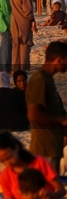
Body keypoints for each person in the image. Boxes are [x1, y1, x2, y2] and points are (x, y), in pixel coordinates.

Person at [27, 41, 67, 175]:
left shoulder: (47, 79)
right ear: (59, 60)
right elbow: (34, 114)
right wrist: (61, 120)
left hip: (51, 146)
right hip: (44, 148)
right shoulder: (40, 80)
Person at [10, 0, 36, 73]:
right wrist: (32, 19)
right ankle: (24, 67)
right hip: (23, 20)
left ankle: (15, 68)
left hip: (14, 19)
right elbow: (27, 8)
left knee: (16, 44)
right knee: (25, 44)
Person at [0, 0, 13, 73]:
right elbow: (7, 13)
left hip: (5, 24)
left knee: (4, 46)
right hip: (6, 24)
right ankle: (4, 68)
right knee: (6, 46)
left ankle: (0, 66)